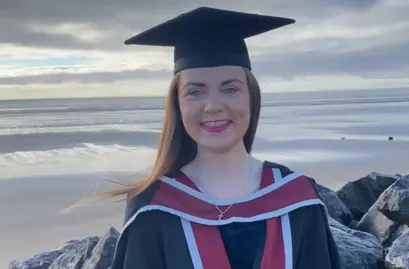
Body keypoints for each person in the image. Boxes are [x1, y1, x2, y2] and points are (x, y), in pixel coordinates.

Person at [103, 6, 342, 269]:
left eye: (230, 89)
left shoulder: (299, 199)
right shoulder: (154, 207)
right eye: (195, 92)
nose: (213, 105)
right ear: (177, 105)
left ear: (251, 97)